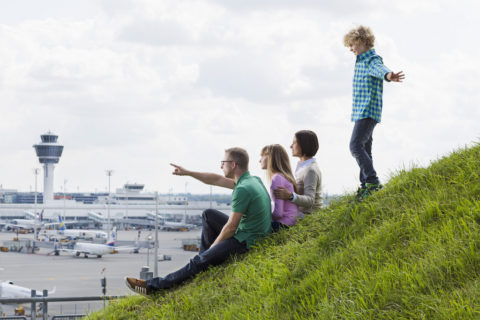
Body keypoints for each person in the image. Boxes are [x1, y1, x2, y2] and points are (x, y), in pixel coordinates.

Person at [125, 147, 271, 296]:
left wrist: (211, 250)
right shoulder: (252, 180)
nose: (221, 166)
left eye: (223, 162)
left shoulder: (243, 189)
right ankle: (204, 264)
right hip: (250, 232)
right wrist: (188, 172)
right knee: (209, 215)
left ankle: (153, 287)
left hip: (247, 241)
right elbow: (216, 179)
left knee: (199, 260)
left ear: (233, 164)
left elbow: (231, 227)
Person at [343, 25, 405, 200]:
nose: (350, 49)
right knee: (365, 148)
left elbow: (380, 69)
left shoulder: (371, 60)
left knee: (355, 146)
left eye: (352, 44)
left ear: (362, 41)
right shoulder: (361, 61)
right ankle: (366, 186)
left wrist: (389, 75)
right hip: (361, 111)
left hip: (367, 110)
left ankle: (372, 181)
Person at [274, 130, 322, 214]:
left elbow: (310, 200)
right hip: (298, 213)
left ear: (303, 145)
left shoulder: (310, 170)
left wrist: (290, 196)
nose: (291, 146)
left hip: (307, 216)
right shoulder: (302, 166)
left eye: (294, 143)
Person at [260, 144, 299, 231]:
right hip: (290, 223)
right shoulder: (284, 177)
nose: (260, 160)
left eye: (262, 156)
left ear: (271, 158)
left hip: (283, 225)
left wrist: (263, 216)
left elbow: (278, 213)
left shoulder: (277, 178)